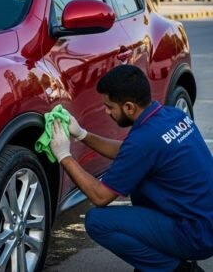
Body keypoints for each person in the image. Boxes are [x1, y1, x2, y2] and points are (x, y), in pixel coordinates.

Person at [49, 65, 213, 272]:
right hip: (203, 221)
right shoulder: (171, 116)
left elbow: (100, 197)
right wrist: (82, 134)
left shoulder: (143, 142)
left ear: (128, 107)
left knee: (97, 221)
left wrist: (65, 156)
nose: (107, 112)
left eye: (109, 107)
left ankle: (176, 268)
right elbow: (130, 152)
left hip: (195, 235)